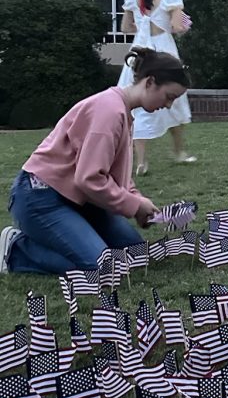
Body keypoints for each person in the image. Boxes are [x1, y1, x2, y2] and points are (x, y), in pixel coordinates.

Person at [0, 48, 188, 276]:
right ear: (150, 82)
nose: (168, 105)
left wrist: (136, 202)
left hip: (82, 200)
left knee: (136, 255)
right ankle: (16, 250)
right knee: (103, 268)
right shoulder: (109, 111)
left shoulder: (123, 112)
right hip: (41, 197)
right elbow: (89, 177)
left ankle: (73, 237)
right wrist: (134, 205)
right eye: (169, 97)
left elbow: (115, 175)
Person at [118, 0, 194, 174]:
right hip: (163, 52)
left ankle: (141, 161)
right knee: (174, 99)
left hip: (139, 54)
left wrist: (142, 25)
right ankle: (179, 152)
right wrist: (186, 26)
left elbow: (125, 28)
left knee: (136, 100)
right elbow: (177, 26)